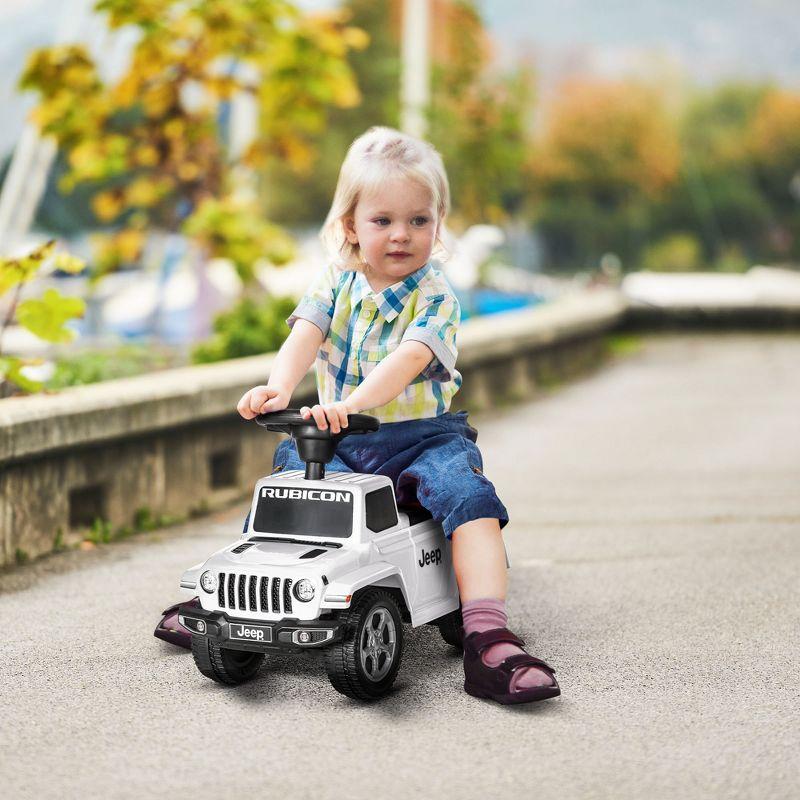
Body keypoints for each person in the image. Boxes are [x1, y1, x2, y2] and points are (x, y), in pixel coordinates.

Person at [236, 126, 560, 705]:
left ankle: (487, 633)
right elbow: (306, 334)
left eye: (419, 220)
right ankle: (240, 597)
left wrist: (354, 401)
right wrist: (277, 388)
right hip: (341, 437)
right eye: (383, 220)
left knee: (467, 495)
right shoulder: (335, 280)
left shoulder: (436, 295)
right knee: (289, 486)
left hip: (422, 436)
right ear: (350, 227)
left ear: (438, 223)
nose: (401, 235)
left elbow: (408, 359)